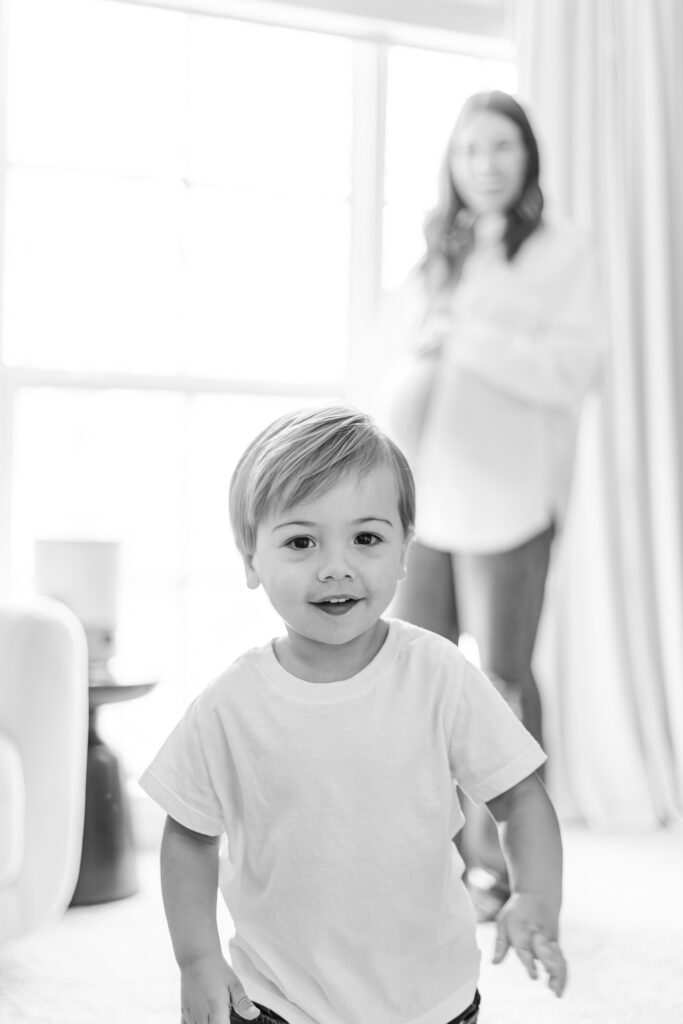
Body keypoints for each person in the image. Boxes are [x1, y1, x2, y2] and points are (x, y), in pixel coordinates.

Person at [140, 405, 567, 1024]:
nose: (335, 565)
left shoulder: (438, 675)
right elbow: (188, 836)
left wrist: (535, 895)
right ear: (250, 559)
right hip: (277, 999)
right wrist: (196, 959)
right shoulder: (230, 705)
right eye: (300, 541)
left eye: (365, 538)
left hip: (432, 1000)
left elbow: (519, 798)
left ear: (402, 552)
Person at [376, 91, 603, 919]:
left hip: (510, 501)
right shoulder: (433, 256)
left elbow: (573, 370)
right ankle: (420, 864)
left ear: (527, 156)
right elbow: (393, 369)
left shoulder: (562, 253)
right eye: (470, 149)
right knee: (410, 682)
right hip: (423, 503)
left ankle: (509, 873)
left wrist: (465, 335)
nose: (486, 164)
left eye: (501, 146)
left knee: (501, 683)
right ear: (453, 162)